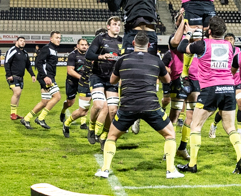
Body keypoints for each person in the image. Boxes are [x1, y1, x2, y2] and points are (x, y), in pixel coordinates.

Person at [95, 32, 184, 180]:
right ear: (149, 46)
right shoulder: (156, 60)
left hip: (127, 106)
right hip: (150, 106)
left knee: (111, 137)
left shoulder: (122, 60)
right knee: (170, 135)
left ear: (133, 44)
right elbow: (167, 80)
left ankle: (105, 169)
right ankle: (170, 170)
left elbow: (112, 81)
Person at [170, 14, 241, 175]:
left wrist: (189, 33)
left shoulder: (202, 45)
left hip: (210, 89)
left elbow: (181, 47)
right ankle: (240, 157)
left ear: (209, 31)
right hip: (228, 88)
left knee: (195, 126)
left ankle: (193, 164)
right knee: (230, 127)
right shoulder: (230, 46)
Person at [86, 17, 126, 145]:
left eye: (119, 25)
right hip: (97, 75)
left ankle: (104, 135)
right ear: (108, 26)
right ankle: (91, 127)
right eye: (114, 24)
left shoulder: (122, 41)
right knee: (98, 105)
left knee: (113, 110)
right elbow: (88, 54)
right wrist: (101, 56)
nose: (117, 27)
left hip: (112, 78)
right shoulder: (100, 39)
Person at [22, 31, 63, 129]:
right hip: (46, 77)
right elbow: (38, 62)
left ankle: (26, 118)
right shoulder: (47, 48)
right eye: (56, 37)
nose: (59, 39)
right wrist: (45, 76)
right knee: (57, 97)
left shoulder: (53, 49)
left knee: (44, 101)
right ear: (51, 39)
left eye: (60, 38)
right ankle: (41, 118)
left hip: (47, 77)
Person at [61, 37, 92, 139]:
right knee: (70, 103)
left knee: (85, 104)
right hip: (72, 82)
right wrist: (82, 78)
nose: (84, 46)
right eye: (82, 44)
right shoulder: (72, 55)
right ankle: (63, 110)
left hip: (84, 84)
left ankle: (83, 123)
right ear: (77, 46)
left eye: (85, 45)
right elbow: (70, 71)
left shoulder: (90, 55)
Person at [4, 37, 34, 121]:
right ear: (16, 42)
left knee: (18, 95)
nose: (23, 42)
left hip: (21, 77)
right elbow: (6, 62)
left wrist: (32, 75)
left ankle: (15, 113)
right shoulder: (12, 50)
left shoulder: (25, 53)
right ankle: (12, 113)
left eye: (24, 41)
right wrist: (8, 74)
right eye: (21, 41)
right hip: (13, 76)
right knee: (17, 92)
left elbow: (28, 65)